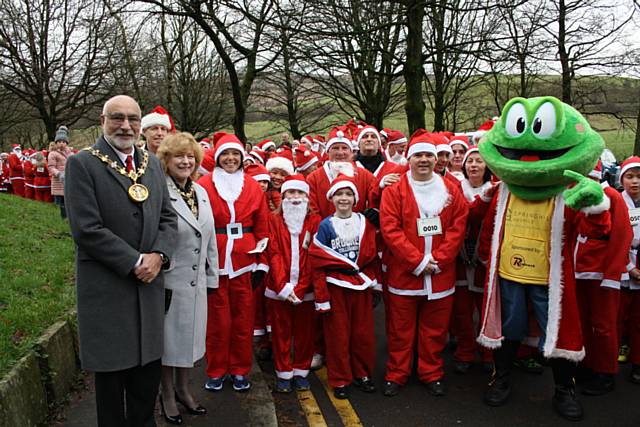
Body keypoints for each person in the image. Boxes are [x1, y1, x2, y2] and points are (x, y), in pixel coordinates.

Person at [476, 96, 612, 421]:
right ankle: (502, 380)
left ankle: (565, 390)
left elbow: (597, 229)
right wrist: (480, 199)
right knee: (510, 329)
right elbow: (477, 222)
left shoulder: (566, 193)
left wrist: (595, 206)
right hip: (509, 274)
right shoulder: (502, 190)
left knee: (558, 336)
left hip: (549, 279)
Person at [64, 95, 177, 427]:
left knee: (145, 387)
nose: (125, 125)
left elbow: (167, 220)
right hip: (108, 290)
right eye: (117, 118)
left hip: (150, 288)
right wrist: (135, 261)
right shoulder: (82, 164)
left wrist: (159, 256)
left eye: (132, 118)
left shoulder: (152, 163)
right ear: (103, 121)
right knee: (112, 394)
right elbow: (86, 229)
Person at [379, 135, 469, 398]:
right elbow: (390, 229)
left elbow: (457, 227)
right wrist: (417, 261)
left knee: (435, 330)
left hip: (440, 274)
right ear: (409, 159)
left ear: (436, 159)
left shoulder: (451, 189)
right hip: (405, 274)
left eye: (429, 155)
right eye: (418, 155)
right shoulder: (395, 192)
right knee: (400, 330)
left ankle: (431, 372)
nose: (424, 160)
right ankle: (397, 374)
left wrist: (438, 259)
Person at [198, 133, 270, 393]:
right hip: (214, 259)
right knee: (217, 322)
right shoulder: (204, 184)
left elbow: (263, 226)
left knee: (243, 321)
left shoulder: (251, 185)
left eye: (235, 155)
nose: (230, 159)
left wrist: (262, 264)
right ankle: (216, 370)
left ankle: (240, 370)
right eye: (225, 154)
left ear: (242, 158)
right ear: (218, 157)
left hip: (245, 260)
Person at [154, 132, 219, 424]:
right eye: (178, 156)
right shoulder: (159, 191)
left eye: (190, 156)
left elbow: (210, 239)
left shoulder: (201, 191)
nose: (185, 161)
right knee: (169, 345)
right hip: (170, 282)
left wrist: (213, 276)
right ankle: (167, 394)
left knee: (190, 341)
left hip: (198, 283)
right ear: (166, 160)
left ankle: (184, 389)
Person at [310, 174, 380, 399]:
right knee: (337, 335)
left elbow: (372, 254)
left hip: (360, 286)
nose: (344, 198)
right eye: (339, 194)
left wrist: (375, 283)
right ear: (332, 198)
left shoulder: (364, 222)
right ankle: (340, 379)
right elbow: (318, 259)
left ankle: (362, 373)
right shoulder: (325, 225)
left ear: (355, 198)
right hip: (336, 286)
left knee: (363, 334)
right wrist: (321, 296)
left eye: (348, 194)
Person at [571, 160, 632, 395]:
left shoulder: (612, 197)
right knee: (583, 321)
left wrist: (612, 275)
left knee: (604, 326)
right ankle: (587, 365)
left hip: (603, 274)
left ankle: (606, 372)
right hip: (579, 272)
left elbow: (621, 237)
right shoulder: (576, 194)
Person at [266, 174, 321, 393]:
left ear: (307, 196)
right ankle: (283, 373)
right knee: (280, 333)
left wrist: (300, 287)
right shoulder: (273, 219)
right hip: (279, 288)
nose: (295, 197)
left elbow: (313, 256)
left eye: (300, 193)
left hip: (306, 289)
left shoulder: (316, 221)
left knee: (305, 333)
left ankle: (300, 371)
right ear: (283, 195)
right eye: (290, 192)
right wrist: (283, 286)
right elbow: (274, 252)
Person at [450, 146, 495, 374]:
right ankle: (465, 350)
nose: (474, 165)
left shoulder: (495, 191)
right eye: (470, 161)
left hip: (484, 261)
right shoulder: (455, 189)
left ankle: (488, 352)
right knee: (462, 311)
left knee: (487, 309)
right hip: (459, 259)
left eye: (479, 161)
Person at [616, 157, 640, 384]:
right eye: (630, 177)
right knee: (618, 318)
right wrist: (629, 267)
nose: (635, 182)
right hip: (623, 270)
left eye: (639, 177)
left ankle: (638, 363)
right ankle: (609, 363)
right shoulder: (617, 202)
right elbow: (614, 240)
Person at [48, 127, 72, 218]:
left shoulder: (70, 153)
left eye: (64, 142)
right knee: (58, 201)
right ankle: (57, 217)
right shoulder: (53, 153)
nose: (62, 144)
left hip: (68, 180)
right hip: (58, 180)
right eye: (59, 142)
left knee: (67, 201)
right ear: (56, 143)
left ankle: (67, 217)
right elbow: (51, 167)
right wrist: (58, 174)